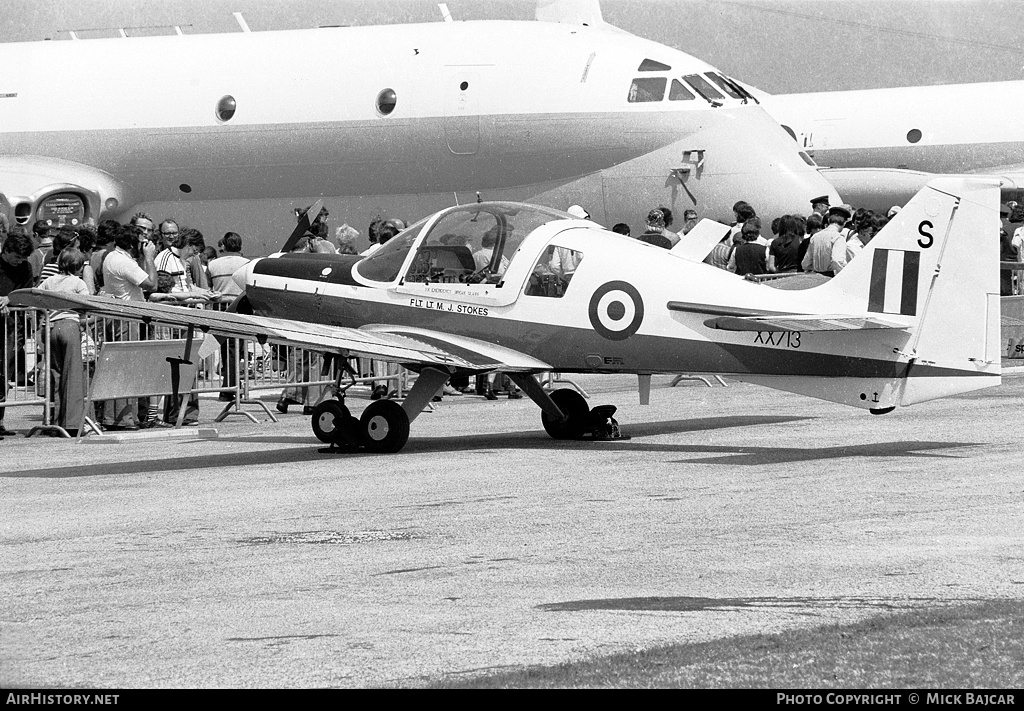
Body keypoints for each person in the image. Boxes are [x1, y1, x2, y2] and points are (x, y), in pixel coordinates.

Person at [100, 223, 158, 430]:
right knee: (126, 368)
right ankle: (122, 418)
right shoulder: (124, 262)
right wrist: (149, 257)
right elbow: (151, 283)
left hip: (122, 316)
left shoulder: (112, 257)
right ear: (133, 245)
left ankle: (122, 416)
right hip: (128, 319)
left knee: (122, 367)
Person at [38, 248, 90, 435]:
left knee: (56, 373)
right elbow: (86, 304)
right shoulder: (78, 282)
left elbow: (37, 297)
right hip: (70, 325)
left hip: (51, 326)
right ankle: (72, 423)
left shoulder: (49, 281)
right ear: (78, 266)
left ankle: (54, 421)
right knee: (73, 374)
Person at [0, 232, 35, 437]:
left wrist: (8, 300)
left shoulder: (25, 268)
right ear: (6, 251)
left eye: (23, 258)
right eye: (16, 257)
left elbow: (26, 294)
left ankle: (0, 420)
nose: (19, 261)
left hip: (12, 328)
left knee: (5, 374)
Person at [800, 204, 850, 277]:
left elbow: (805, 263)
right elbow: (837, 260)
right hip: (831, 278)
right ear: (844, 223)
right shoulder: (838, 238)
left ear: (829, 220)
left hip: (816, 277)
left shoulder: (815, 236)